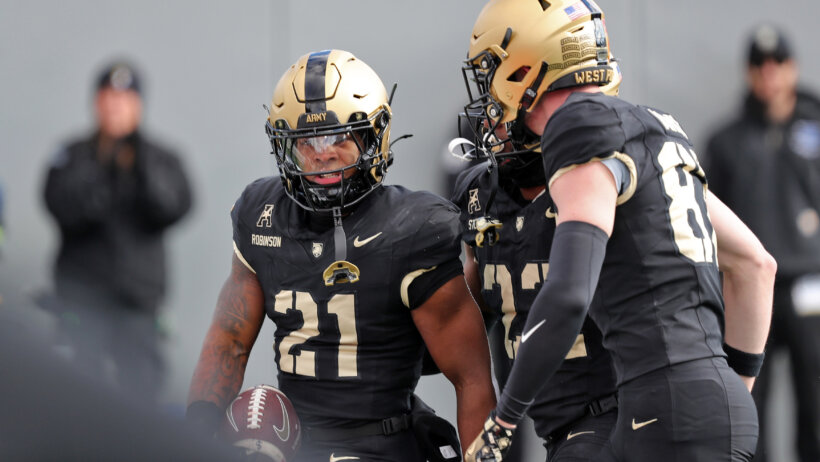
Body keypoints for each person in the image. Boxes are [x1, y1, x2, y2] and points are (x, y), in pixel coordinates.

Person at [457, 1, 776, 461]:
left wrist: (505, 418)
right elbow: (755, 264)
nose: (488, 90)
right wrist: (730, 389)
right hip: (712, 398)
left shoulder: (577, 123)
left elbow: (568, 295)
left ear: (525, 62)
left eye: (490, 69)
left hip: (662, 404)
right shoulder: (652, 126)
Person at [186, 49, 496, 462]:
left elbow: (471, 378)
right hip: (295, 445)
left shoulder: (413, 228)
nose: (323, 153)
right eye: (307, 141)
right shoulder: (261, 217)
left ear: (373, 138)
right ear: (284, 146)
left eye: (340, 137)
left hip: (384, 444)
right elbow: (229, 343)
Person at [449, 60, 623, 461]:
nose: (492, 131)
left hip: (612, 411)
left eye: (503, 116)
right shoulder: (479, 193)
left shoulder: (595, 179)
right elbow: (474, 305)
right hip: (553, 423)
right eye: (490, 115)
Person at [43, 60, 193, 404]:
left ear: (139, 105)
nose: (115, 107)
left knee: (140, 408)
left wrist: (137, 166)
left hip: (137, 311)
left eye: (124, 99)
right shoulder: (71, 155)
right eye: (108, 97)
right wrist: (103, 170)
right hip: (80, 307)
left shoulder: (161, 159)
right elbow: (60, 205)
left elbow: (172, 208)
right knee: (74, 405)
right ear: (96, 102)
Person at [703, 24, 820, 462]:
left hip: (812, 284)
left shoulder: (816, 126)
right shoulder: (727, 141)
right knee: (750, 400)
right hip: (753, 287)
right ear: (749, 73)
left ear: (792, 68)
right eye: (759, 65)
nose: (768, 73)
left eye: (777, 64)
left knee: (815, 400)